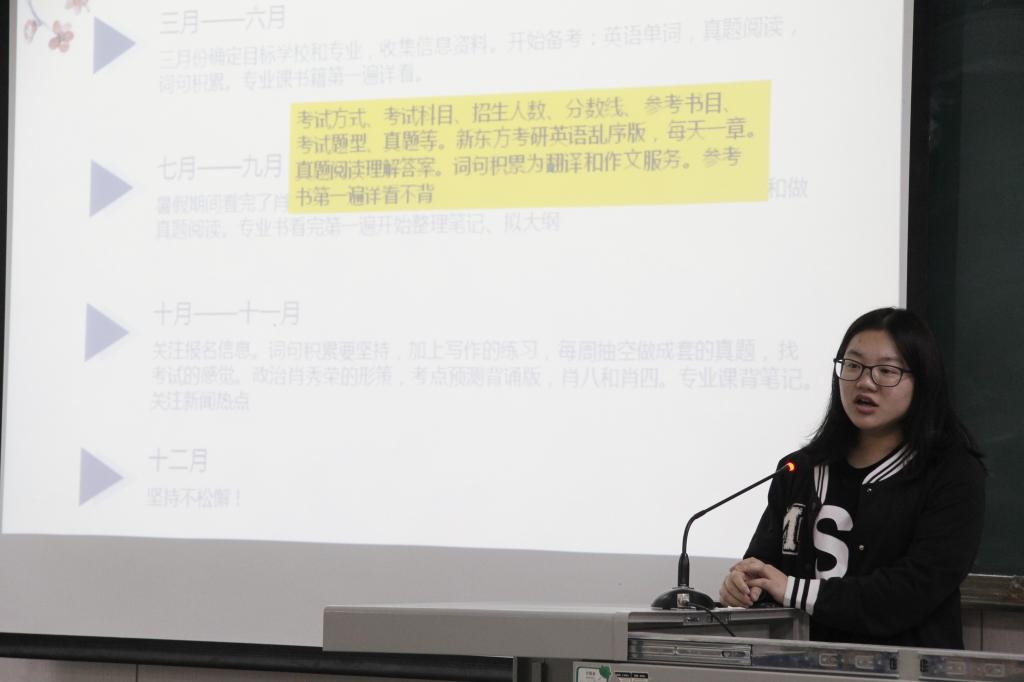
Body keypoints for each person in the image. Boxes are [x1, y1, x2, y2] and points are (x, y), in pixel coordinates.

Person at [719, 307, 985, 648]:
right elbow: (766, 570)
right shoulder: (798, 470)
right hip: (797, 665)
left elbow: (911, 592)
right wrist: (745, 584)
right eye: (853, 365)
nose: (865, 382)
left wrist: (793, 589)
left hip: (907, 667)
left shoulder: (952, 474)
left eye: (886, 371)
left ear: (922, 381)